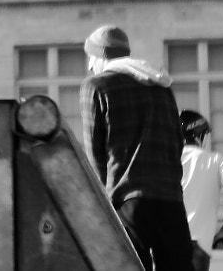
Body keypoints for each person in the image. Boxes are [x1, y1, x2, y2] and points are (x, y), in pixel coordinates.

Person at [80, 24, 192, 271]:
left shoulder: (97, 86)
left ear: (100, 56)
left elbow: (94, 153)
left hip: (127, 200)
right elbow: (176, 142)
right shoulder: (161, 86)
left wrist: (103, 204)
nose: (90, 66)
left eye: (91, 58)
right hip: (170, 200)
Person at [179, 110, 223, 271]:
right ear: (199, 135)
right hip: (199, 249)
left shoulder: (167, 160)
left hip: (168, 245)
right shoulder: (215, 160)